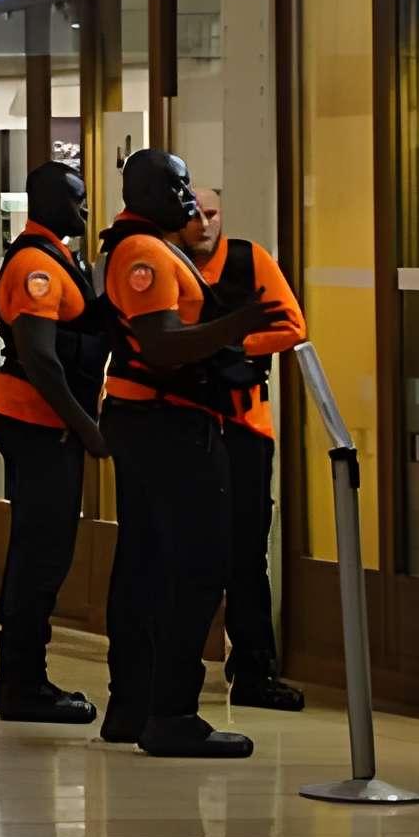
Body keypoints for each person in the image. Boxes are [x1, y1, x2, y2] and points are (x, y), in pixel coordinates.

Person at [95, 148, 275, 758]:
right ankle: (171, 711)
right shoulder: (143, 253)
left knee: (144, 561)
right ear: (143, 193)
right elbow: (163, 344)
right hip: (164, 422)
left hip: (148, 419)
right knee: (198, 565)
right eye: (177, 186)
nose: (189, 199)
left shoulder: (146, 245)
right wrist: (239, 324)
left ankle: (134, 706)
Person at [0, 160, 108, 724]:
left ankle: (17, 677)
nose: (84, 210)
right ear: (47, 201)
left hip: (41, 422)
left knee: (38, 550)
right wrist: (86, 427)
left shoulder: (57, 256)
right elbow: (40, 356)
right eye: (76, 200)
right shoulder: (36, 264)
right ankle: (24, 685)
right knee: (42, 554)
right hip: (38, 423)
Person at [189, 186, 312, 713]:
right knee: (190, 551)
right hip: (185, 426)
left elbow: (292, 327)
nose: (203, 223)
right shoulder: (160, 260)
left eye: (212, 212)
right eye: (193, 213)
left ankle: (255, 668)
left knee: (247, 551)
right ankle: (174, 669)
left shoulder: (248, 259)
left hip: (245, 426)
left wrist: (232, 346)